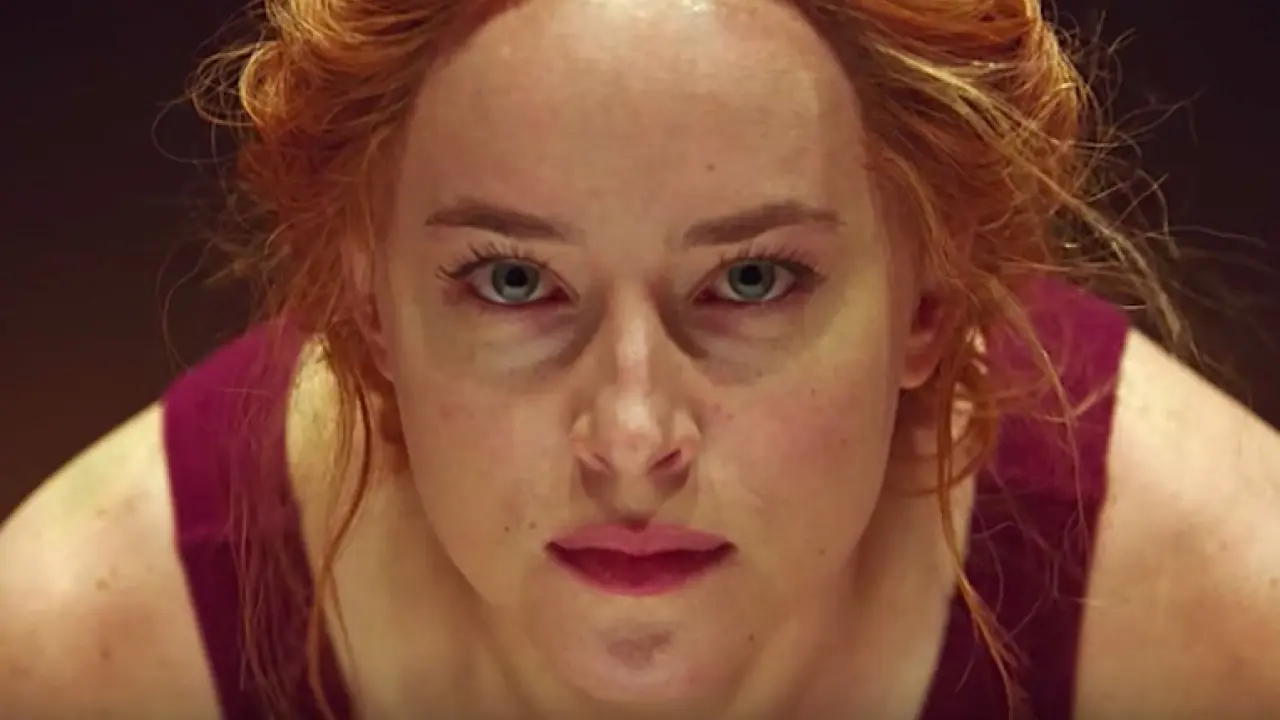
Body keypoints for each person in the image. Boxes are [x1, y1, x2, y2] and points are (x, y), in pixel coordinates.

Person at [3, 0, 1279, 717]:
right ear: (367, 303)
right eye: (513, 281)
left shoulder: (1227, 624)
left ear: (930, 304)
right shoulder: (85, 654)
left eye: (751, 279)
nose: (628, 439)